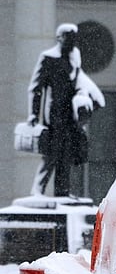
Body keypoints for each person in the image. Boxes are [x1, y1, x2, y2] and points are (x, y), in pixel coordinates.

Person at [28, 23, 104, 197]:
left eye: (73, 38)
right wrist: (34, 113)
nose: (72, 41)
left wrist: (85, 96)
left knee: (66, 152)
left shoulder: (74, 58)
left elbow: (79, 82)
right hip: (54, 112)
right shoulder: (48, 58)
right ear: (59, 38)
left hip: (70, 113)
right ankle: (37, 189)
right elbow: (36, 87)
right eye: (68, 37)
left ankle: (62, 191)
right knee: (52, 152)